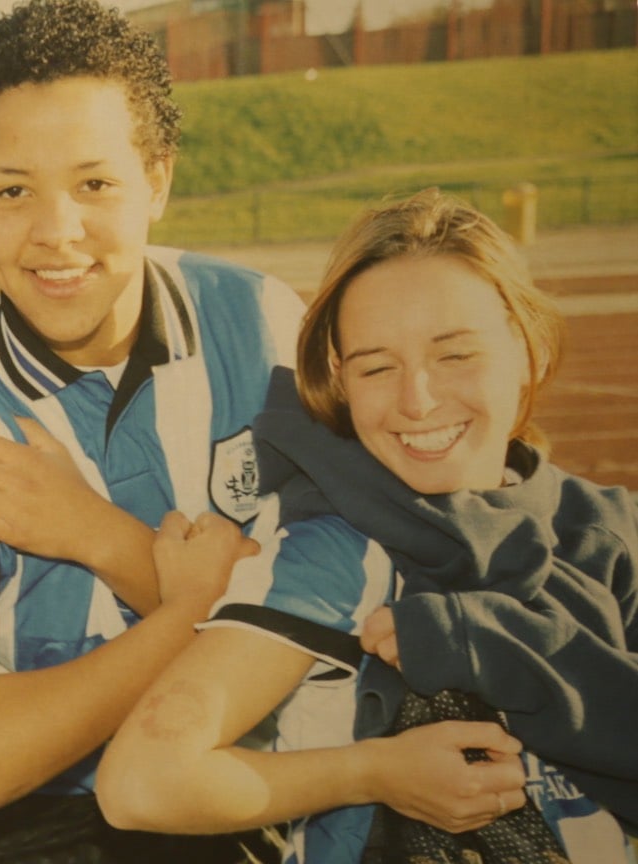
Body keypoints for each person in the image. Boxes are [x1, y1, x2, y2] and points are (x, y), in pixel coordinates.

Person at [0, 0, 304, 859]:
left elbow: (342, 624)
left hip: (253, 805)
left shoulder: (263, 329)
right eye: (13, 190)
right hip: (48, 831)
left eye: (94, 184)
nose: (56, 232)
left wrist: (95, 535)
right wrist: (187, 610)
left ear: (157, 181)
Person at [96, 188, 637, 863]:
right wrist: (375, 772)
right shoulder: (336, 548)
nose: (417, 400)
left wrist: (490, 642)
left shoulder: (609, 530)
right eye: (376, 367)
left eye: (455, 355)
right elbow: (142, 783)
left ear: (525, 349)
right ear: (340, 383)